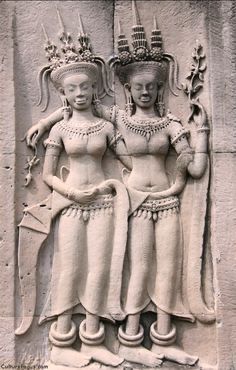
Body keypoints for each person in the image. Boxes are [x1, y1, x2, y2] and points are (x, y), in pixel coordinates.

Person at [24, 2, 213, 367]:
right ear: (127, 87)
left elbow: (191, 167)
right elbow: (77, 116)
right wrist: (46, 122)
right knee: (109, 267)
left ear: (159, 89)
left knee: (154, 268)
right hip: (105, 202)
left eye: (152, 87)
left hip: (140, 201)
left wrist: (199, 134)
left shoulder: (152, 124)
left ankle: (146, 337)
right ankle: (84, 340)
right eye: (138, 86)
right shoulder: (107, 121)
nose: (145, 92)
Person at [16, 13, 130, 368]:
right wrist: (70, 192)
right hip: (70, 202)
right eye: (72, 89)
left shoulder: (106, 126)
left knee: (98, 268)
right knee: (70, 267)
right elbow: (48, 175)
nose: (80, 93)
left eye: (85, 87)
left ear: (94, 89)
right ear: (62, 93)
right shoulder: (61, 130)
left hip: (102, 203)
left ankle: (94, 336)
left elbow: (128, 160)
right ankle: (62, 339)